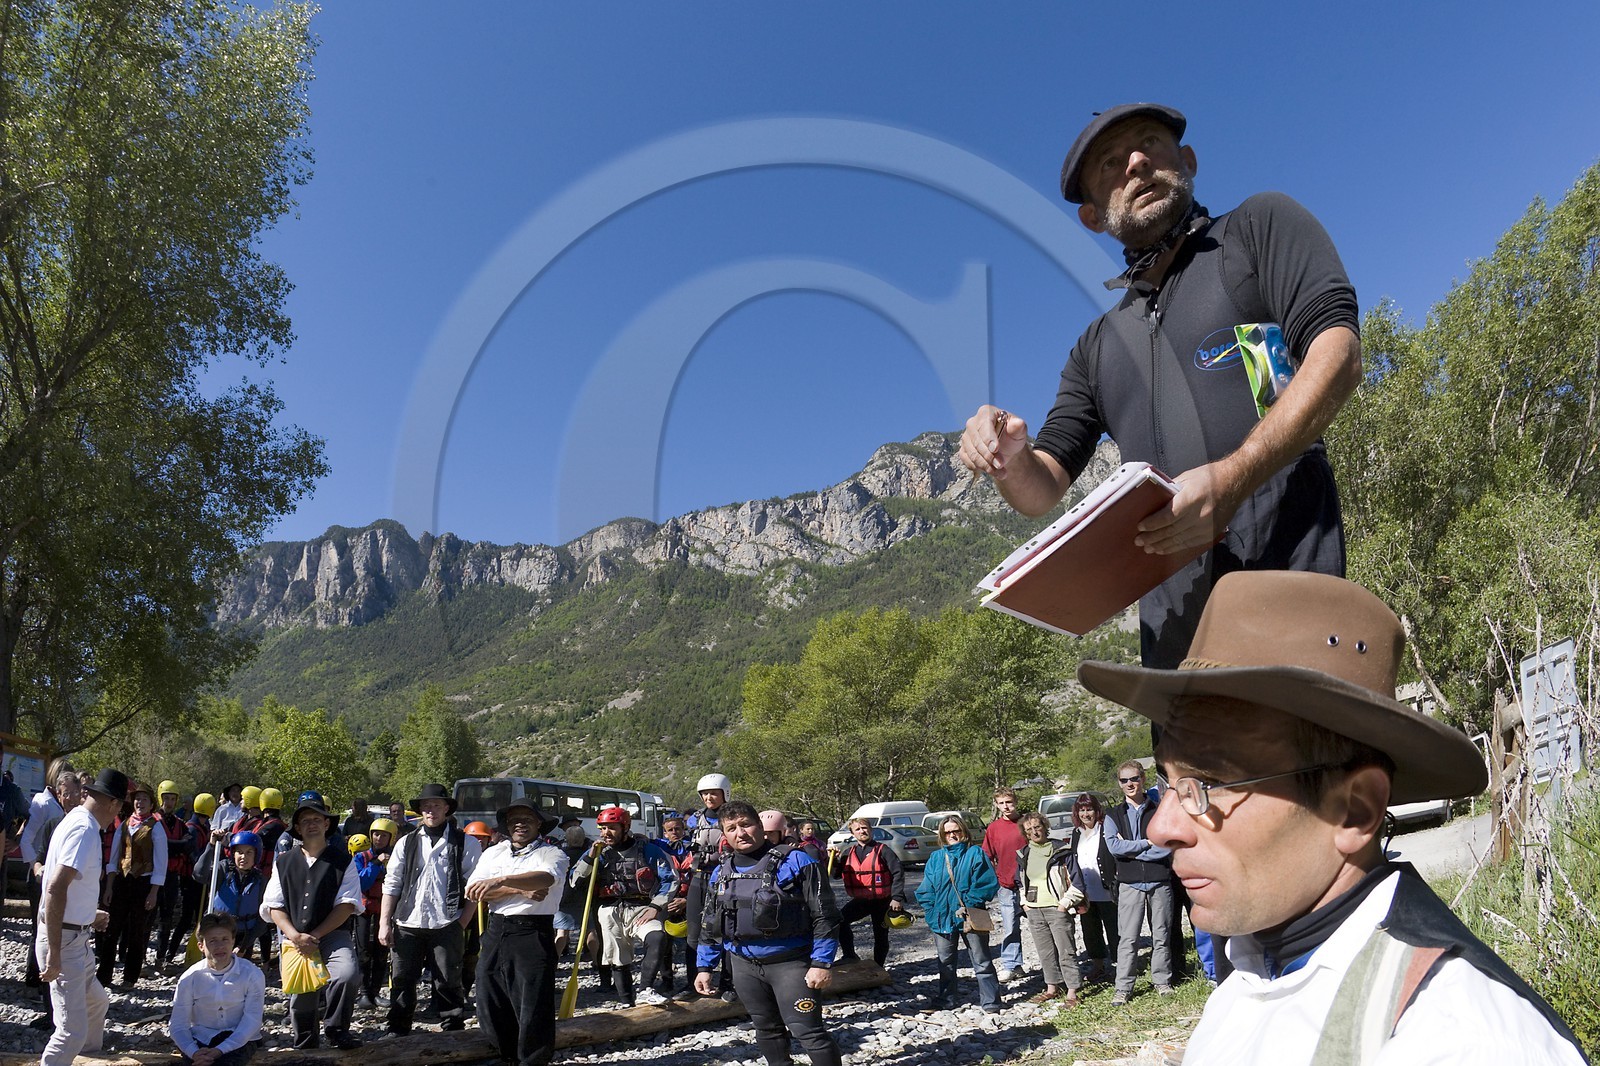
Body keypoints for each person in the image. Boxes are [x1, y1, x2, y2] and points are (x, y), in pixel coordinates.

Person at [1077, 569, 1587, 1063]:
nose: (1160, 828)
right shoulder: (1243, 986)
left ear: (1355, 810)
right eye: (1169, 782)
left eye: (1206, 784)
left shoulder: (1456, 1036)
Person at [958, 103, 1361, 671]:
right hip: (1176, 659)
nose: (1137, 162)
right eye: (1110, 164)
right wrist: (1008, 455)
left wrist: (1230, 479)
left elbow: (1337, 353)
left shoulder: (1256, 229)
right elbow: (1039, 491)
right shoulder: (1096, 347)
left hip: (1296, 609)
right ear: (1093, 217)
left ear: (1188, 161)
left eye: (1150, 144)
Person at [695, 800, 842, 1066]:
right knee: (766, 1029)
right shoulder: (721, 872)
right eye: (731, 828)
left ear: (760, 826)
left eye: (746, 824)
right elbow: (710, 921)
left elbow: (826, 915)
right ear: (724, 835)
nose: (740, 833)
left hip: (792, 964)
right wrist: (705, 966)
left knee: (808, 1032)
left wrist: (822, 963)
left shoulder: (797, 861)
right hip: (744, 966)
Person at [465, 799, 567, 1066]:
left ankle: (533, 1060)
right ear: (507, 825)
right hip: (497, 927)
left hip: (532, 930)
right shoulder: (493, 853)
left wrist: (501, 881)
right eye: (514, 820)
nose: (520, 824)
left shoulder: (552, 854)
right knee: (490, 993)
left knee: (532, 1001)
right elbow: (475, 891)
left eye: (527, 819)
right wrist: (518, 890)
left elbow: (544, 879)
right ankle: (506, 1055)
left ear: (539, 824)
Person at [263, 790, 363, 1050]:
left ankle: (336, 1029)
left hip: (333, 934)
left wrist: (315, 936)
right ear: (297, 827)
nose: (311, 824)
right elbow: (274, 906)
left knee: (346, 973)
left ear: (327, 824)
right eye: (305, 820)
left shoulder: (344, 861)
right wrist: (295, 936)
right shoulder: (283, 862)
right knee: (302, 994)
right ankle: (305, 1043)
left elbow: (346, 906)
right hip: (294, 935)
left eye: (317, 819)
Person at [37, 767, 124, 1066]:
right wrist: (56, 954)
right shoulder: (85, 830)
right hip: (65, 940)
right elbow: (55, 887)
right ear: (114, 803)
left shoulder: (75, 818)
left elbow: (67, 887)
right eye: (120, 807)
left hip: (76, 936)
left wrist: (89, 914)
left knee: (97, 1002)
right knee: (70, 1031)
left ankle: (87, 1060)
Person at [379, 782, 481, 1036]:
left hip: (447, 922)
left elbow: (474, 886)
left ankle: (452, 1030)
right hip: (407, 922)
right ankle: (399, 1028)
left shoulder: (466, 843)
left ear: (446, 808)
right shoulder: (405, 842)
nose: (431, 811)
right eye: (426, 806)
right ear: (420, 811)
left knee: (448, 980)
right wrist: (384, 923)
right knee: (402, 979)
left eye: (436, 805)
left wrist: (462, 922)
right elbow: (391, 884)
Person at [568, 805, 675, 1006]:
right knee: (618, 957)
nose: (606, 833)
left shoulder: (648, 850)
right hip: (609, 910)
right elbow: (574, 880)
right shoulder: (597, 852)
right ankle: (627, 1002)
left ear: (625, 827)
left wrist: (656, 906)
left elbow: (670, 879)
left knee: (658, 937)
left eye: (611, 828)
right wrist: (590, 857)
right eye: (602, 828)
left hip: (642, 908)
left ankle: (645, 989)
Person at [1104, 760, 1177, 1003]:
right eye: (1124, 780)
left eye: (1134, 778)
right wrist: (1147, 843)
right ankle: (1123, 988)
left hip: (1159, 880)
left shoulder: (1159, 810)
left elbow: (1167, 846)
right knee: (1128, 938)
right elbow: (1114, 847)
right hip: (1130, 883)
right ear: (1119, 783)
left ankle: (1162, 981)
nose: (1130, 784)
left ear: (1143, 778)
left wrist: (1132, 848)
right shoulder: (1113, 815)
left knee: (1161, 934)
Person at [915, 814, 1000, 1012]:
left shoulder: (975, 853)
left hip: (970, 914)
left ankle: (991, 1002)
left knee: (981, 961)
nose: (952, 835)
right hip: (941, 918)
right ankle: (946, 1000)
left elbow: (987, 883)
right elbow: (926, 888)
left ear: (964, 831)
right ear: (942, 835)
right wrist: (930, 909)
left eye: (956, 831)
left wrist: (969, 903)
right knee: (945, 963)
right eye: (948, 832)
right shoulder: (936, 858)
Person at [169, 913, 264, 1066]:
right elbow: (178, 1024)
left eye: (225, 939)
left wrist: (221, 1049)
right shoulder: (190, 978)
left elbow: (252, 1020)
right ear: (201, 946)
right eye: (212, 941)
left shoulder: (252, 974)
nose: (220, 946)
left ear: (233, 941)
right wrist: (194, 1052)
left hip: (239, 1038)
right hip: (201, 1038)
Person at [98, 781, 168, 988]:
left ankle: (130, 977)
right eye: (137, 799)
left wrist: (154, 892)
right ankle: (104, 976)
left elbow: (161, 863)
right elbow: (114, 858)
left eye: (144, 799)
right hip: (122, 880)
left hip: (143, 883)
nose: (140, 802)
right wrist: (110, 886)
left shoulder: (156, 828)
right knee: (112, 929)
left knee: (137, 932)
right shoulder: (125, 824)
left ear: (151, 803)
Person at [1015, 811, 1086, 1006]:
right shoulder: (1024, 854)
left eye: (1037, 827)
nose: (1034, 832)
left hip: (1057, 908)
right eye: (1029, 829)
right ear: (1025, 833)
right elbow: (1019, 882)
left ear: (1045, 827)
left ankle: (1072, 990)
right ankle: (1052, 987)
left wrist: (1064, 905)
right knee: (1045, 952)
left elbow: (1078, 882)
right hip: (1034, 910)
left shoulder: (1062, 851)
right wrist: (1025, 904)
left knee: (1066, 951)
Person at [21, 758, 77, 990]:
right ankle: (33, 980)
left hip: (57, 876)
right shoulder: (43, 803)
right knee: (40, 930)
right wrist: (36, 867)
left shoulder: (65, 808)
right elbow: (26, 839)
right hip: (40, 876)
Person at [682, 771, 731, 999]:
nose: (709, 797)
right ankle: (694, 982)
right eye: (705, 794)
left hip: (725, 879)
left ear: (725, 794)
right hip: (699, 878)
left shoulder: (733, 817)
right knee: (693, 933)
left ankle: (729, 984)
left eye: (713, 793)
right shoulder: (694, 820)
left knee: (727, 931)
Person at [833, 818, 906, 968]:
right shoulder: (848, 853)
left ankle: (878, 967)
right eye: (858, 829)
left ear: (871, 830)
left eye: (864, 828)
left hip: (882, 901)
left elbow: (898, 873)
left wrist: (897, 898)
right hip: (862, 901)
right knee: (839, 922)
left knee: (880, 935)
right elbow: (835, 874)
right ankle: (850, 955)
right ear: (852, 833)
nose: (862, 831)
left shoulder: (883, 850)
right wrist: (833, 860)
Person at [1067, 793, 1118, 983]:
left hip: (1106, 890)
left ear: (1097, 811)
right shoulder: (1076, 833)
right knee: (1091, 931)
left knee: (1114, 930)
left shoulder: (1106, 829)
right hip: (1086, 892)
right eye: (1082, 810)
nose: (1086, 814)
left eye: (1089, 809)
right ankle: (1098, 965)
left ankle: (1119, 967)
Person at [195, 831, 266, 962]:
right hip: (217, 933)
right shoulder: (223, 869)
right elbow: (199, 874)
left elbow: (262, 920)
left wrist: (243, 946)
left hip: (244, 935)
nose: (243, 857)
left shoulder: (261, 880)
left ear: (256, 855)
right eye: (239, 852)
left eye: (249, 852)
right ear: (233, 854)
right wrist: (211, 845)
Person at [980, 787, 1027, 982]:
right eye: (1001, 803)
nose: (1006, 806)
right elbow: (987, 855)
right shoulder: (993, 828)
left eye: (1009, 802)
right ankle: (1012, 965)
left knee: (1042, 926)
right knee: (1010, 926)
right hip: (1006, 884)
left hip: (1031, 883)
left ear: (1015, 801)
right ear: (997, 805)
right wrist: (994, 878)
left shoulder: (1027, 822)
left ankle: (1053, 965)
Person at [352, 816, 398, 1009]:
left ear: (391, 838)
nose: (379, 838)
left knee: (381, 953)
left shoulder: (396, 857)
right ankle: (364, 993)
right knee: (363, 952)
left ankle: (376, 992)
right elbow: (362, 883)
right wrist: (376, 863)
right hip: (364, 911)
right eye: (376, 834)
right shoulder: (361, 857)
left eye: (383, 835)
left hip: (384, 912)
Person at [649, 814, 694, 996]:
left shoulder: (694, 848)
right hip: (666, 899)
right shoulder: (658, 848)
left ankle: (693, 981)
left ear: (683, 829)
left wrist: (687, 901)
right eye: (670, 830)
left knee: (692, 943)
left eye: (678, 829)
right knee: (663, 942)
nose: (675, 832)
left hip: (689, 898)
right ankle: (666, 980)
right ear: (665, 832)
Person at [156, 781, 198, 969]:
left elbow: (187, 844)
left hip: (172, 875)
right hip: (154, 874)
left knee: (166, 918)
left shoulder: (180, 824)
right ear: (160, 798)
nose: (170, 803)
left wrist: (176, 845)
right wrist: (178, 845)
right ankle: (137, 958)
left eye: (173, 799)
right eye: (166, 798)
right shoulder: (153, 820)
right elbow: (163, 846)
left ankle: (160, 957)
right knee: (147, 918)